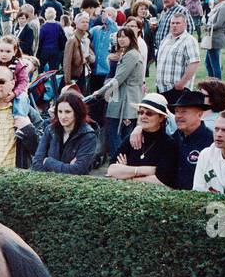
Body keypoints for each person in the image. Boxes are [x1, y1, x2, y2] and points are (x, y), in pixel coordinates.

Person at [91, 25, 145, 160]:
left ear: (131, 38)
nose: (121, 40)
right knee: (118, 131)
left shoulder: (131, 55)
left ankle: (120, 160)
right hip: (122, 97)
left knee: (116, 132)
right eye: (119, 37)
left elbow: (118, 78)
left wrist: (100, 92)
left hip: (126, 100)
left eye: (124, 36)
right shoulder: (127, 54)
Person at [107, 93, 177, 184]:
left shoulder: (169, 144)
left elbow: (161, 180)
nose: (143, 116)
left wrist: (125, 175)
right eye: (140, 112)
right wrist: (144, 171)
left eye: (149, 113)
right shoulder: (131, 139)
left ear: (161, 118)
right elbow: (112, 170)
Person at [153, 89, 213, 190]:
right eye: (176, 111)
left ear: (199, 114)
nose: (178, 116)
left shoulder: (211, 141)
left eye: (184, 112)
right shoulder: (175, 137)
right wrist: (138, 130)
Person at [30, 91, 98, 174]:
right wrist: (68, 167)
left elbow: (78, 170)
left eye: (68, 112)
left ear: (77, 112)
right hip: (48, 182)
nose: (63, 116)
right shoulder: (50, 129)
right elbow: (36, 162)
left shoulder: (88, 136)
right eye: (60, 111)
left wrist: (48, 162)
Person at [154, 11, 200, 103]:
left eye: (178, 23)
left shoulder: (189, 40)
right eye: (173, 23)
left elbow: (194, 63)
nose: (174, 25)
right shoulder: (166, 39)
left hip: (177, 89)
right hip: (162, 89)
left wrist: (181, 84)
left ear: (185, 24)